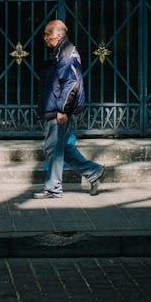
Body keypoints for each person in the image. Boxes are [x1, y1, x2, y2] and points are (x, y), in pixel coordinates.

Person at [33, 19, 105, 199]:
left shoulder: (65, 54)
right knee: (62, 146)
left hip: (59, 111)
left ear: (57, 35)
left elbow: (70, 84)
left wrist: (62, 110)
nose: (45, 38)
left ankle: (53, 188)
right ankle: (93, 171)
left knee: (52, 147)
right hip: (58, 108)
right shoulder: (61, 52)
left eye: (47, 34)